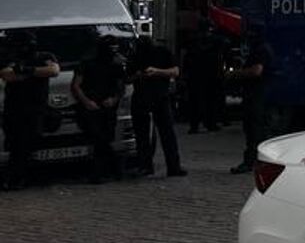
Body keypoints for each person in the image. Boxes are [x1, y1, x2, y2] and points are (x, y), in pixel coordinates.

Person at [1, 32, 60, 190]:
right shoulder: (10, 56)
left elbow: (53, 70)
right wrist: (35, 73)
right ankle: (16, 177)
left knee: (30, 142)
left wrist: (28, 70)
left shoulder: (45, 56)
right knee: (15, 144)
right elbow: (8, 75)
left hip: (36, 108)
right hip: (14, 108)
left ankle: (24, 176)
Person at [71, 37, 127, 184]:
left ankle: (100, 172)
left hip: (107, 107)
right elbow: (76, 85)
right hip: (90, 106)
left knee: (103, 140)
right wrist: (87, 102)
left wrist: (113, 100)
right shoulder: (87, 62)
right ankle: (113, 167)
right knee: (98, 138)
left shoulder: (116, 65)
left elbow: (121, 86)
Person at [129, 36, 186, 178]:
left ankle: (171, 166)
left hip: (159, 96)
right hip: (145, 97)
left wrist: (156, 72)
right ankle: (148, 165)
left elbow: (175, 71)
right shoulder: (136, 55)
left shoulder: (161, 53)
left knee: (165, 133)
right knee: (147, 134)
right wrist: (138, 75)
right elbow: (127, 77)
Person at [229, 29, 271, 175]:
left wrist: (236, 74)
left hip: (256, 95)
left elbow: (256, 71)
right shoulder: (263, 48)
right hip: (257, 94)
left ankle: (250, 162)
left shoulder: (261, 50)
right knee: (256, 129)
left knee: (254, 130)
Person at [182, 27, 225, 134]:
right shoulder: (215, 42)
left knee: (195, 102)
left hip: (196, 76)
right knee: (210, 101)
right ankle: (210, 124)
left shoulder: (193, 42)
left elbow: (186, 59)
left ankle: (194, 125)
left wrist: (185, 74)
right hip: (210, 76)